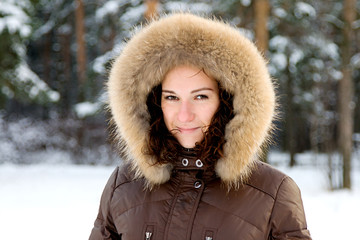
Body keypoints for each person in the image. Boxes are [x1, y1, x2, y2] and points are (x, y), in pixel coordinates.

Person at [89, 13, 311, 240]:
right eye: (172, 98)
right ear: (154, 103)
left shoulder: (273, 192)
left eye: (201, 97)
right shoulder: (123, 185)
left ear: (228, 101)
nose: (184, 115)